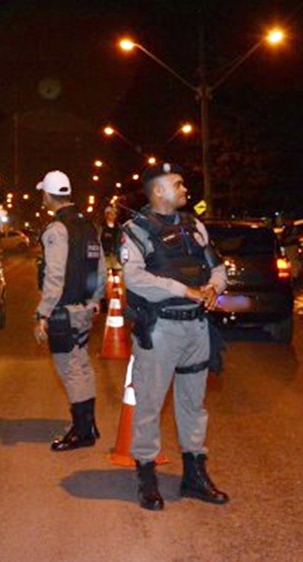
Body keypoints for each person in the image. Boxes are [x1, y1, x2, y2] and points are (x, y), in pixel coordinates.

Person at [120, 162, 229, 511]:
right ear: (158, 192)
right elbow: (134, 279)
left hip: (196, 328)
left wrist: (213, 288)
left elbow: (217, 266)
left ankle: (194, 475)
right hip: (161, 328)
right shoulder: (134, 230)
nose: (185, 190)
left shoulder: (194, 226)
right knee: (150, 405)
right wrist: (185, 290)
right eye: (178, 184)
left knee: (193, 405)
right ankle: (147, 475)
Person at [32, 170, 106, 452]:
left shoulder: (57, 230)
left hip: (64, 311)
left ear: (48, 196)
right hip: (85, 308)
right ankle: (88, 423)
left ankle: (81, 431)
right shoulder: (88, 226)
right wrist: (96, 299)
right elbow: (99, 269)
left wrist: (43, 313)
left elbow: (55, 276)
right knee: (82, 365)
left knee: (71, 369)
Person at [100, 206, 121, 271]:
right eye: (111, 213)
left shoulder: (119, 228)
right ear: (106, 215)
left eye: (114, 214)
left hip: (116, 257)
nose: (113, 216)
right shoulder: (101, 228)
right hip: (104, 257)